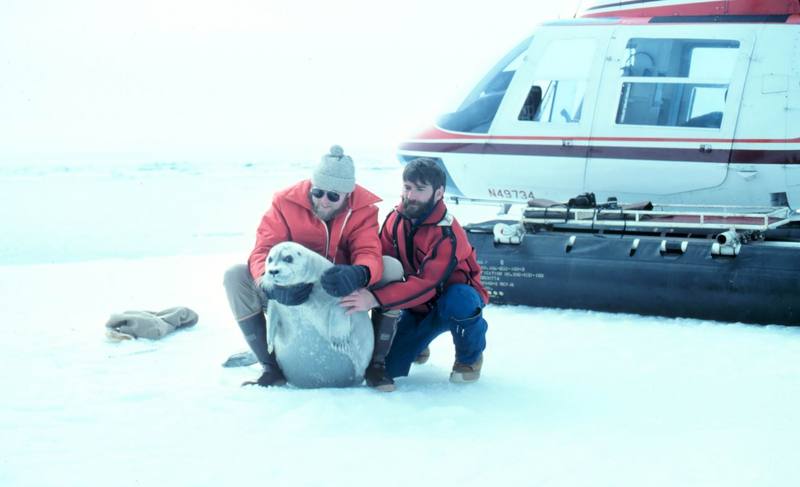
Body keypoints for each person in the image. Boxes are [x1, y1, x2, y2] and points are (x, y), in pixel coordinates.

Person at [223, 145, 384, 387]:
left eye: (333, 196)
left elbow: (369, 252)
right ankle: (269, 365)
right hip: (290, 295)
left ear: (347, 194)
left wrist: (359, 273)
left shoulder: (363, 211)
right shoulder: (284, 203)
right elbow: (263, 250)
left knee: (391, 268)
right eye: (318, 192)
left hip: (338, 298)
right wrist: (272, 288)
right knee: (234, 276)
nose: (323, 200)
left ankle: (377, 364)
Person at [340, 157, 489, 391]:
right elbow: (384, 266)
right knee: (389, 368)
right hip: (415, 305)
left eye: (420, 189)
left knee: (460, 299)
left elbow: (427, 283)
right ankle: (419, 343)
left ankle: (470, 358)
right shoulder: (394, 219)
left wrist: (375, 299)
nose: (411, 195)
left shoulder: (448, 233)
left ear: (439, 193)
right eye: (407, 188)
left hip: (450, 300)